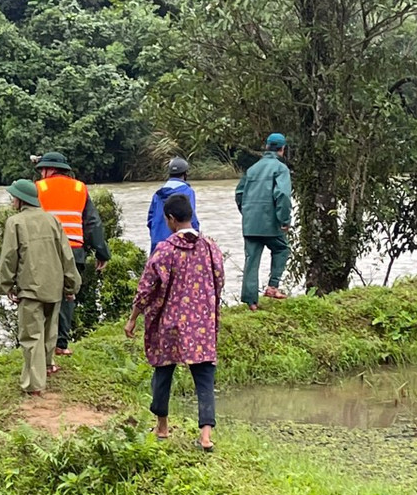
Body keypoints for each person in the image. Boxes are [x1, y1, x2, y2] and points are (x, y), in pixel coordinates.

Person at [124, 193, 224, 452]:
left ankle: (162, 426)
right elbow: (219, 280)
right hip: (202, 323)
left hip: (169, 324)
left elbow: (146, 287)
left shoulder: (165, 250)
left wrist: (134, 318)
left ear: (170, 219)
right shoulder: (210, 247)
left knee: (163, 370)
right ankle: (205, 436)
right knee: (204, 376)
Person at [0, 179, 81, 396]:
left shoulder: (15, 222)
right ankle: (48, 366)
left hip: (30, 288)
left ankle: (34, 385)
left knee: (31, 336)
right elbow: (66, 255)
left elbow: (9, 257)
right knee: (49, 332)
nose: (11, 199)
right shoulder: (52, 220)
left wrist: (6, 285)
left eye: (13, 196)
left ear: (20, 199)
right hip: (54, 287)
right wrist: (71, 285)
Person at [33, 151, 111, 355]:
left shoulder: (38, 188)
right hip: (74, 250)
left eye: (42, 169)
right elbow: (93, 222)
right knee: (68, 295)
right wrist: (102, 252)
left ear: (49, 169)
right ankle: (61, 344)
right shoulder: (79, 188)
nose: (41, 173)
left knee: (43, 295)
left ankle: (42, 344)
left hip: (46, 250)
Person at [235, 132, 293, 311]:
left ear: (267, 147)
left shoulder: (252, 169)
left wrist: (247, 213)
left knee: (251, 259)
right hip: (270, 223)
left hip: (250, 222)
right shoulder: (280, 169)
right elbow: (282, 195)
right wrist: (284, 220)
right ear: (283, 149)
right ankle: (273, 287)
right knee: (282, 249)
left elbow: (239, 194)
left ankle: (251, 302)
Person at [146, 157, 200, 255]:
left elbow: (150, 221)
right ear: (185, 174)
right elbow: (190, 218)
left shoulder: (158, 194)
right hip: (181, 246)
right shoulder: (188, 192)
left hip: (158, 246)